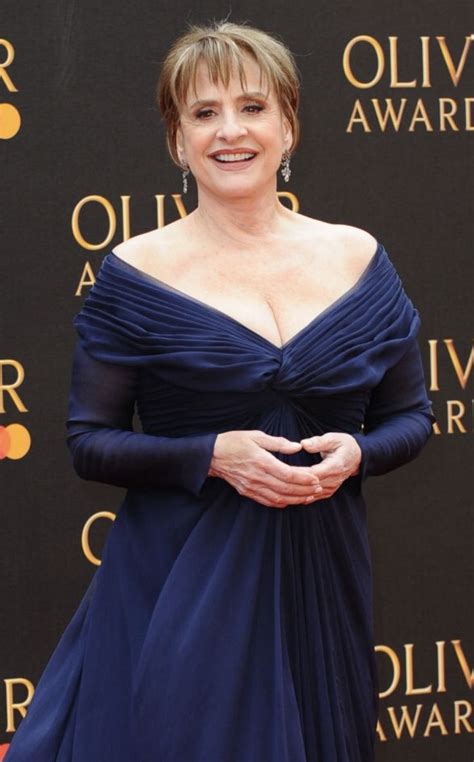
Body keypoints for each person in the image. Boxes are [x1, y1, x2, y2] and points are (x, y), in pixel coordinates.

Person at [5, 20, 434, 762]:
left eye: (252, 107)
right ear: (177, 141)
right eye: (203, 113)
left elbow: (412, 416)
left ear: (289, 125)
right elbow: (88, 441)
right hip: (182, 582)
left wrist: (357, 454)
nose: (230, 131)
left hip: (321, 574)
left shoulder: (359, 257)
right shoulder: (136, 273)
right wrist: (211, 454)